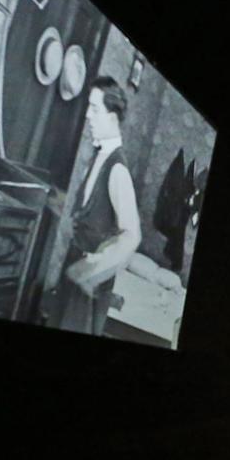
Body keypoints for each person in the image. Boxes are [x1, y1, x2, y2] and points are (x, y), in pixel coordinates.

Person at [58, 76, 141, 335]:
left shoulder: (117, 169)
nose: (88, 116)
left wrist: (93, 270)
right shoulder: (99, 155)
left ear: (112, 118)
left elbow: (132, 236)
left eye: (94, 109)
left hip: (89, 284)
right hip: (73, 272)